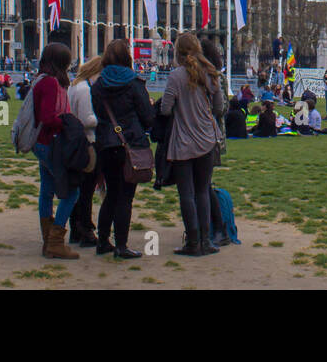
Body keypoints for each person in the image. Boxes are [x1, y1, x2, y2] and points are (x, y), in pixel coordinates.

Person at [161, 33, 226, 257]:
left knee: (187, 193)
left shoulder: (176, 76)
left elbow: (165, 109)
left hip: (183, 140)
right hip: (207, 139)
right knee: (202, 191)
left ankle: (193, 241)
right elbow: (219, 108)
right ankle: (206, 241)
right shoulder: (210, 73)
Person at [91, 39, 154, 260]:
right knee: (125, 197)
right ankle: (121, 245)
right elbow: (148, 117)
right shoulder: (134, 83)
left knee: (111, 194)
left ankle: (102, 241)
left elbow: (98, 113)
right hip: (130, 143)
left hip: (106, 144)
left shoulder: (98, 85)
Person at [31, 43, 80, 259]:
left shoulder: (43, 80)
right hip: (49, 142)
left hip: (43, 142)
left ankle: (48, 239)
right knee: (71, 192)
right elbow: (48, 117)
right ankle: (55, 240)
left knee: (47, 189)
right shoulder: (50, 83)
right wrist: (67, 123)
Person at [67, 56, 101, 247]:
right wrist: (102, 118)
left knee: (79, 189)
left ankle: (75, 229)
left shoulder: (73, 86)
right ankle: (85, 229)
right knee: (87, 189)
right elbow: (88, 119)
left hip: (74, 142)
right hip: (87, 141)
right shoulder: (85, 89)